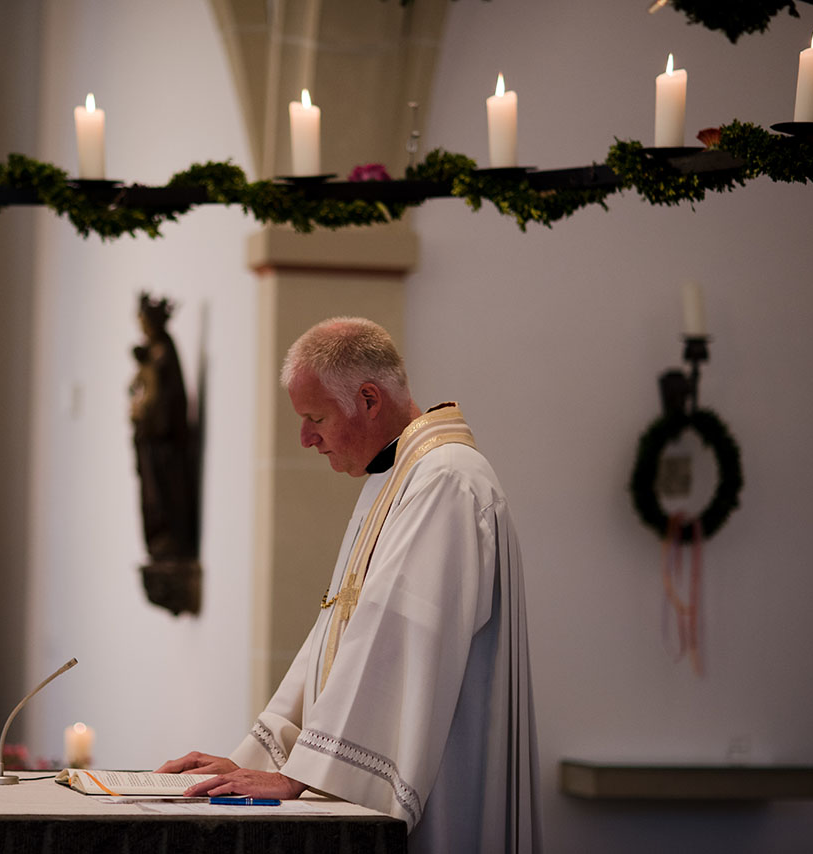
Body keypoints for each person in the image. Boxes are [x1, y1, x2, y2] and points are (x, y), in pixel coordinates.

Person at [157, 317, 540, 853]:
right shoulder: (395, 479)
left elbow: (394, 645)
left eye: (315, 417)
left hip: (445, 792)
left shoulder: (447, 482)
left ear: (368, 398)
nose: (305, 438)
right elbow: (334, 638)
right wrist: (256, 761)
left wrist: (301, 774)